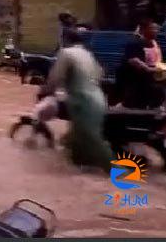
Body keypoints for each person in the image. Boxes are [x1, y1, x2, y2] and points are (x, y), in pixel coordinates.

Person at [44, 29, 114, 172]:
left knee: (93, 140)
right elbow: (100, 74)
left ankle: (118, 172)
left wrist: (46, 91)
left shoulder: (66, 53)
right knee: (78, 139)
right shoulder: (88, 54)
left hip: (82, 101)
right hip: (99, 99)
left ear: (66, 40)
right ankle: (80, 171)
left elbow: (55, 78)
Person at [116, 19, 166, 109]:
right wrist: (150, 70)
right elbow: (134, 61)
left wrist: (164, 68)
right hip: (138, 76)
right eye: (152, 28)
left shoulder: (156, 44)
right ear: (144, 30)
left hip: (153, 75)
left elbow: (161, 61)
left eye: (157, 29)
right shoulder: (134, 43)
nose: (156, 31)